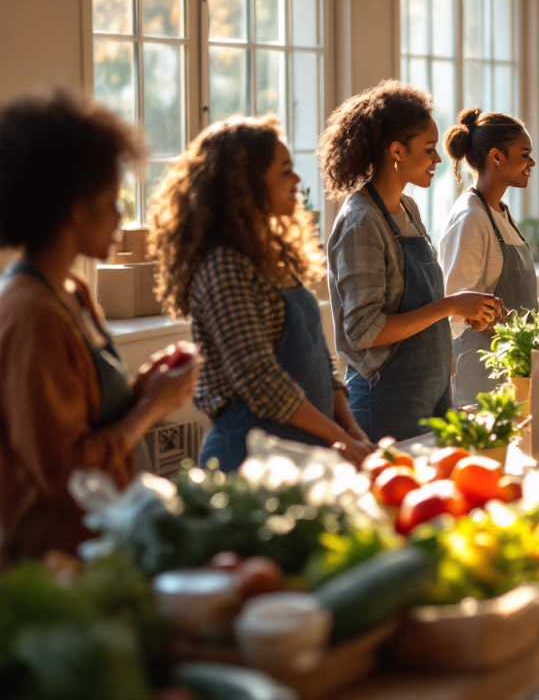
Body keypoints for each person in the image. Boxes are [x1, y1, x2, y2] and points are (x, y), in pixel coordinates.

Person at [0, 90, 199, 564]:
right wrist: (151, 409)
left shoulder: (72, 291)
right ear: (74, 208)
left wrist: (141, 389)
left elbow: (82, 415)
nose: (120, 216)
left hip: (100, 535)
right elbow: (64, 471)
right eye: (112, 201)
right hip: (54, 557)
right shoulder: (32, 317)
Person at [148, 117, 374, 471]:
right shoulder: (225, 267)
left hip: (302, 455)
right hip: (248, 458)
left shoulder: (273, 256)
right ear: (247, 185)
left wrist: (353, 431)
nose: (297, 180)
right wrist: (341, 440)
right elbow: (263, 384)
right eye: (285, 170)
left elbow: (318, 360)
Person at [321, 81, 501, 441]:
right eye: (430, 149)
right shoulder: (361, 222)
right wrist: (449, 305)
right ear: (397, 151)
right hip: (387, 399)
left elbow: (421, 304)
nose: (438, 159)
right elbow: (364, 331)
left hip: (433, 389)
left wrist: (465, 313)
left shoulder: (409, 208)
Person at [438, 109, 539, 407]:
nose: (532, 162)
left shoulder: (501, 212)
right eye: (525, 154)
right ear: (496, 157)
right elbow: (457, 311)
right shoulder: (470, 218)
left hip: (517, 369)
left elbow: (519, 296)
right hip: (485, 374)